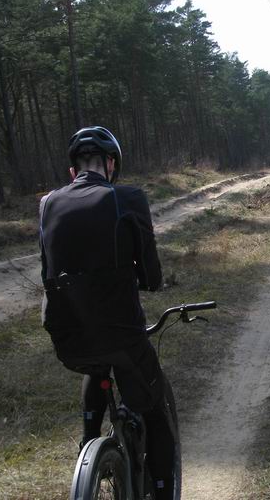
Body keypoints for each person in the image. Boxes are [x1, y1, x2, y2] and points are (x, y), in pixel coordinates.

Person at [38, 126, 175, 500]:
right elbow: (150, 275)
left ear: (73, 171)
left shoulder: (47, 203)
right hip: (121, 334)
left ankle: (88, 441)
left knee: (97, 365)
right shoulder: (128, 198)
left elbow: (46, 269)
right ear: (111, 165)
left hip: (68, 339)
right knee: (157, 410)